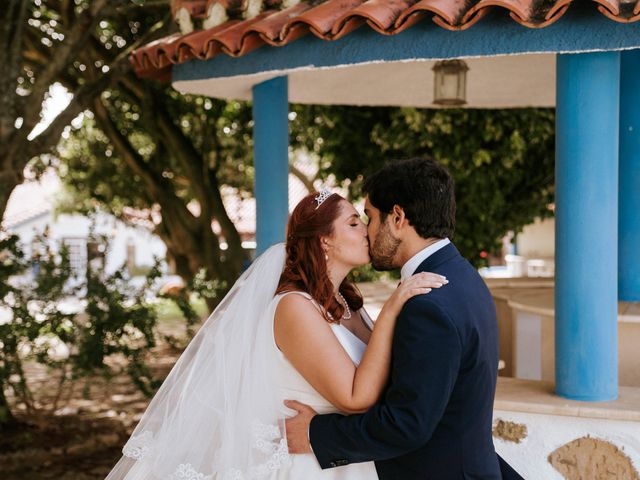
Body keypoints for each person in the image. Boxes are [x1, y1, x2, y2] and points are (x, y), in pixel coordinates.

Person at [105, 188, 446, 480]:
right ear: (324, 239)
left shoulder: (349, 303)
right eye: (354, 223)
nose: (368, 232)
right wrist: (391, 310)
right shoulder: (294, 307)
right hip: (306, 464)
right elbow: (354, 397)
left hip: (345, 458)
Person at [285, 157, 517, 479]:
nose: (367, 231)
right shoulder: (463, 276)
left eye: (369, 217)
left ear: (397, 218)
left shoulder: (428, 304)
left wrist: (316, 434)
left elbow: (407, 424)